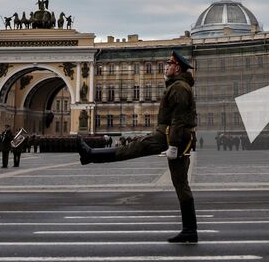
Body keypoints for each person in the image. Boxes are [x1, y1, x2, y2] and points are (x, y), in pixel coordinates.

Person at [79, 50, 199, 244]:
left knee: (134, 148)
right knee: (180, 184)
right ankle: (190, 230)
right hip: (172, 137)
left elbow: (178, 119)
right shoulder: (178, 85)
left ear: (177, 67)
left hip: (169, 136)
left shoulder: (178, 87)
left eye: (169, 64)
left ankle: (91, 154)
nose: (166, 67)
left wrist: (174, 145)